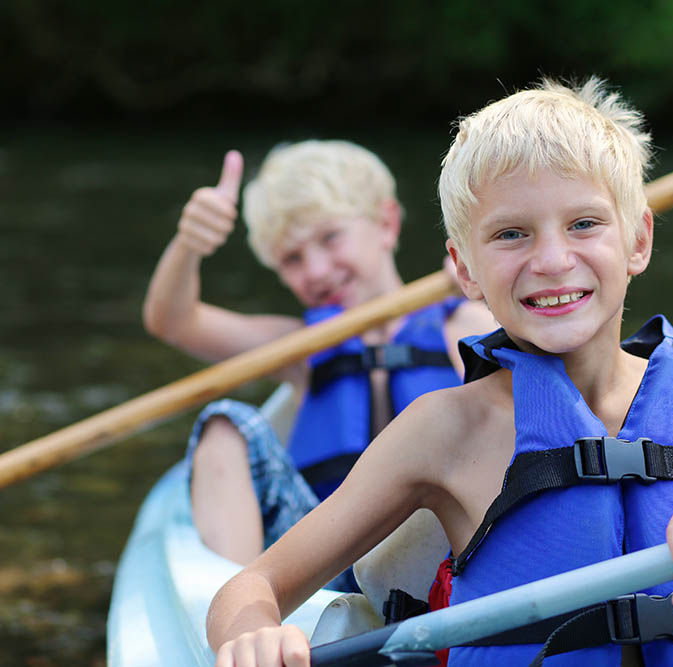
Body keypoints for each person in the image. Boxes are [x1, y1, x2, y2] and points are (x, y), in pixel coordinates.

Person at [205, 79, 673, 666]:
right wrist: (252, 633)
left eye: (584, 224)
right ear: (464, 268)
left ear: (638, 238)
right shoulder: (443, 430)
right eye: (511, 234)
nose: (552, 260)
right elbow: (253, 584)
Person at [142, 140, 495, 580]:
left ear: (386, 223)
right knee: (224, 424)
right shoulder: (300, 350)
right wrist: (188, 245)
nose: (315, 271)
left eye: (330, 238)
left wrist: (486, 283)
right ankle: (240, 619)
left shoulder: (466, 320)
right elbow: (173, 320)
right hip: (325, 559)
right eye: (292, 259)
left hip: (442, 550)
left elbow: (531, 400)